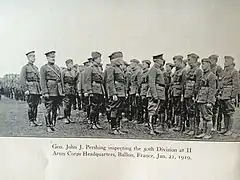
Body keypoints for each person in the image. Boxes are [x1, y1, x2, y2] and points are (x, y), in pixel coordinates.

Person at [40, 51, 64, 132]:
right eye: (51, 57)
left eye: (54, 57)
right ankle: (48, 126)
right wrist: (45, 92)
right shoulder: (44, 68)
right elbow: (43, 81)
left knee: (55, 110)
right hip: (49, 91)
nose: (53, 58)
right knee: (48, 109)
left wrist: (62, 91)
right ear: (47, 58)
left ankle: (53, 124)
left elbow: (61, 80)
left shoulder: (58, 68)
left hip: (57, 91)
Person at [195, 58, 216, 139]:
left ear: (208, 64)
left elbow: (212, 89)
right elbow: (200, 87)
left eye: (204, 64)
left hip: (206, 99)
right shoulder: (204, 74)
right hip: (201, 98)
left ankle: (208, 133)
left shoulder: (211, 75)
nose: (202, 65)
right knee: (203, 116)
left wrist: (210, 101)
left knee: (208, 116)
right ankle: (204, 132)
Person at [106, 51, 126, 135]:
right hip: (116, 93)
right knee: (114, 110)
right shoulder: (111, 68)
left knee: (119, 111)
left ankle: (118, 128)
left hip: (121, 93)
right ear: (114, 60)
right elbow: (110, 81)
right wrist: (113, 93)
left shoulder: (119, 69)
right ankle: (113, 128)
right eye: (120, 59)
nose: (121, 60)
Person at [218, 56, 239, 136]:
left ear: (231, 62)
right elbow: (221, 83)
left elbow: (236, 85)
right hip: (223, 94)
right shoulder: (224, 72)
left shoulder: (234, 72)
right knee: (224, 112)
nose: (224, 62)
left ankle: (230, 130)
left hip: (229, 94)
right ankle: (226, 128)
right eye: (225, 61)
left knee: (230, 112)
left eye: (226, 61)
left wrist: (233, 96)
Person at [20, 51, 42, 127]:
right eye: (32, 56)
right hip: (30, 88)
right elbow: (22, 79)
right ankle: (31, 121)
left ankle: (35, 120)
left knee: (36, 105)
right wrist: (25, 89)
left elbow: (39, 79)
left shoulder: (36, 68)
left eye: (34, 56)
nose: (33, 58)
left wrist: (40, 89)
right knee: (31, 105)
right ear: (28, 58)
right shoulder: (25, 68)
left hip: (36, 89)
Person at [147, 54, 166, 135]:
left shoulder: (158, 69)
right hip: (156, 92)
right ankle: (151, 129)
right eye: (161, 60)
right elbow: (151, 83)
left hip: (160, 92)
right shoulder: (153, 69)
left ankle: (154, 128)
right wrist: (154, 95)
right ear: (157, 60)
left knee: (156, 111)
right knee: (152, 110)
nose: (162, 61)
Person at [85, 51, 105, 129]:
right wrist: (89, 91)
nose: (100, 60)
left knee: (98, 107)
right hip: (94, 89)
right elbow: (88, 80)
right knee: (94, 107)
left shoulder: (99, 68)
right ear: (95, 59)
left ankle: (97, 122)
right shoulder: (90, 68)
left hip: (99, 89)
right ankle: (93, 122)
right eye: (99, 58)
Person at [184, 53, 203, 135]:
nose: (188, 62)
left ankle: (195, 128)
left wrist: (195, 95)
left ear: (195, 60)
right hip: (187, 93)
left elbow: (198, 84)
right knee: (189, 111)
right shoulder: (188, 70)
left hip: (193, 94)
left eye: (189, 60)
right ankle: (191, 128)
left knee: (194, 112)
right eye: (187, 60)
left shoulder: (198, 70)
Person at [171, 55, 186, 131]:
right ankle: (176, 124)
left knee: (179, 109)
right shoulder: (176, 71)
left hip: (179, 93)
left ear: (180, 62)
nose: (175, 63)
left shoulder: (183, 71)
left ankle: (180, 125)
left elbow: (183, 84)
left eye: (176, 62)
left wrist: (182, 95)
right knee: (176, 109)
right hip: (175, 92)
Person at [209, 55, 224, 132]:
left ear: (215, 61)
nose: (211, 61)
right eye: (210, 60)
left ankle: (216, 126)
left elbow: (220, 80)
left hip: (216, 91)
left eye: (212, 60)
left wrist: (219, 91)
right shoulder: (209, 68)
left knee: (216, 110)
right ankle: (211, 125)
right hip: (210, 91)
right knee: (210, 110)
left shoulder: (218, 68)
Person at [62, 59, 78, 124]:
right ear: (66, 65)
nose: (70, 65)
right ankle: (65, 117)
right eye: (69, 64)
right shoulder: (64, 72)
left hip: (72, 89)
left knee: (70, 104)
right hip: (66, 89)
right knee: (66, 104)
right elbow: (62, 81)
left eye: (71, 64)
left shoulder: (74, 71)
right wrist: (63, 90)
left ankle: (69, 117)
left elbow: (75, 81)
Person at [128, 59, 142, 123]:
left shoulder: (138, 72)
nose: (131, 65)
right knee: (133, 105)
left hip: (136, 91)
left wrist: (137, 92)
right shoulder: (133, 72)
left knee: (137, 105)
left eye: (132, 63)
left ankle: (137, 118)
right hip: (132, 90)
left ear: (136, 64)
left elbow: (139, 83)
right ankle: (134, 118)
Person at [139, 60, 151, 126]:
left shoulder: (149, 72)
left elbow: (149, 83)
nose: (143, 65)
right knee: (143, 106)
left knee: (147, 107)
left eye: (144, 64)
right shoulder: (142, 72)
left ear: (147, 65)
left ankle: (147, 121)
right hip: (142, 91)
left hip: (146, 91)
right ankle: (144, 120)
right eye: (142, 64)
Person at [165, 62, 175, 128]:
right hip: (166, 92)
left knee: (171, 107)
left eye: (168, 67)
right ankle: (167, 119)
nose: (166, 68)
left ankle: (171, 120)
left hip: (171, 92)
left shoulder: (172, 75)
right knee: (166, 106)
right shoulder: (165, 74)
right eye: (166, 67)